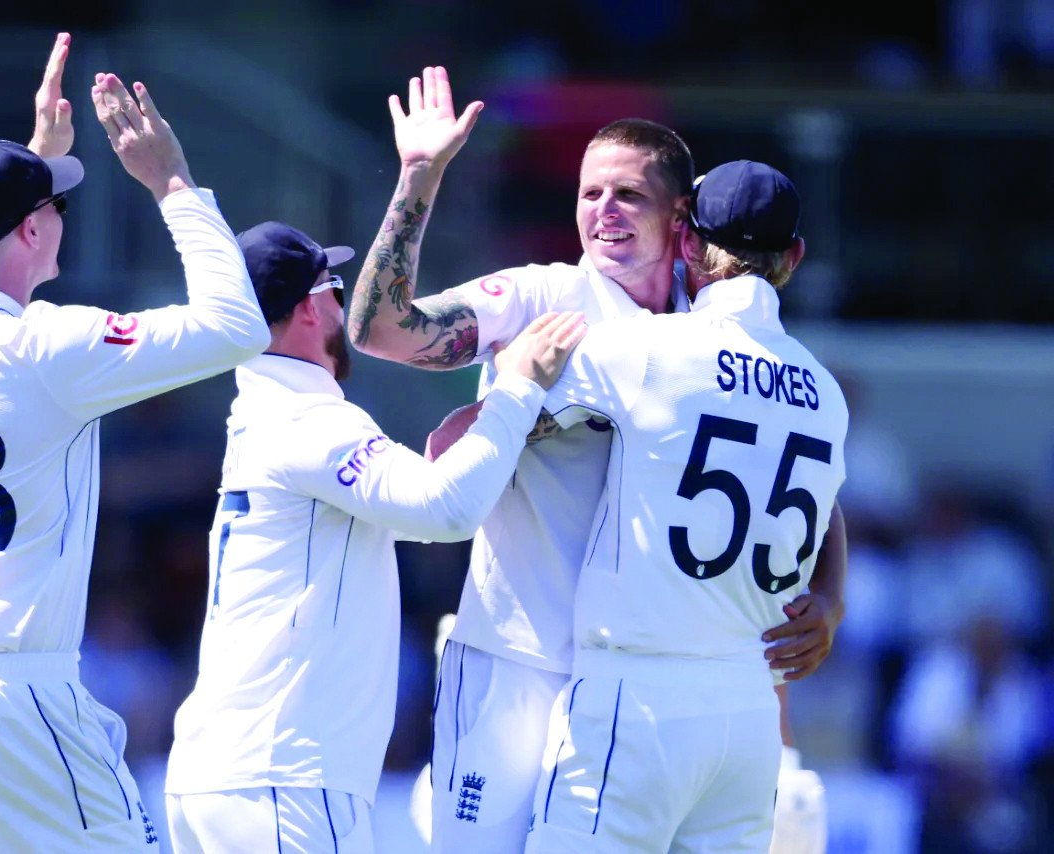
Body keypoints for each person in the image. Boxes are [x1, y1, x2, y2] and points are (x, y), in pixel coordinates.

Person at [349, 66, 845, 852]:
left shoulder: (701, 335)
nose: (603, 212)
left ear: (685, 220)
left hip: (646, 684)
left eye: (629, 195)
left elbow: (803, 476)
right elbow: (381, 331)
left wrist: (828, 589)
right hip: (520, 659)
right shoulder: (542, 295)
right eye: (589, 193)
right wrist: (419, 177)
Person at [0, 34, 270, 852]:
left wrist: (31, 166)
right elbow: (234, 324)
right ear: (33, 232)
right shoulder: (47, 350)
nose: (60, 221)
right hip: (9, 695)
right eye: (56, 208)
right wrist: (172, 182)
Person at [161, 220, 584, 853]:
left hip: (224, 774)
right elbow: (446, 515)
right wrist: (518, 388)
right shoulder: (310, 419)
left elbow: (406, 510)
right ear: (309, 307)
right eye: (333, 288)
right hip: (285, 779)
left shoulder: (261, 409)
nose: (341, 306)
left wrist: (449, 458)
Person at [527, 160, 849, 852]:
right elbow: (825, 507)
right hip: (750, 712)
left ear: (687, 244)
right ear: (793, 257)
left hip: (637, 695)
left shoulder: (647, 350)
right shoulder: (826, 393)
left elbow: (508, 424)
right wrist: (833, 595)